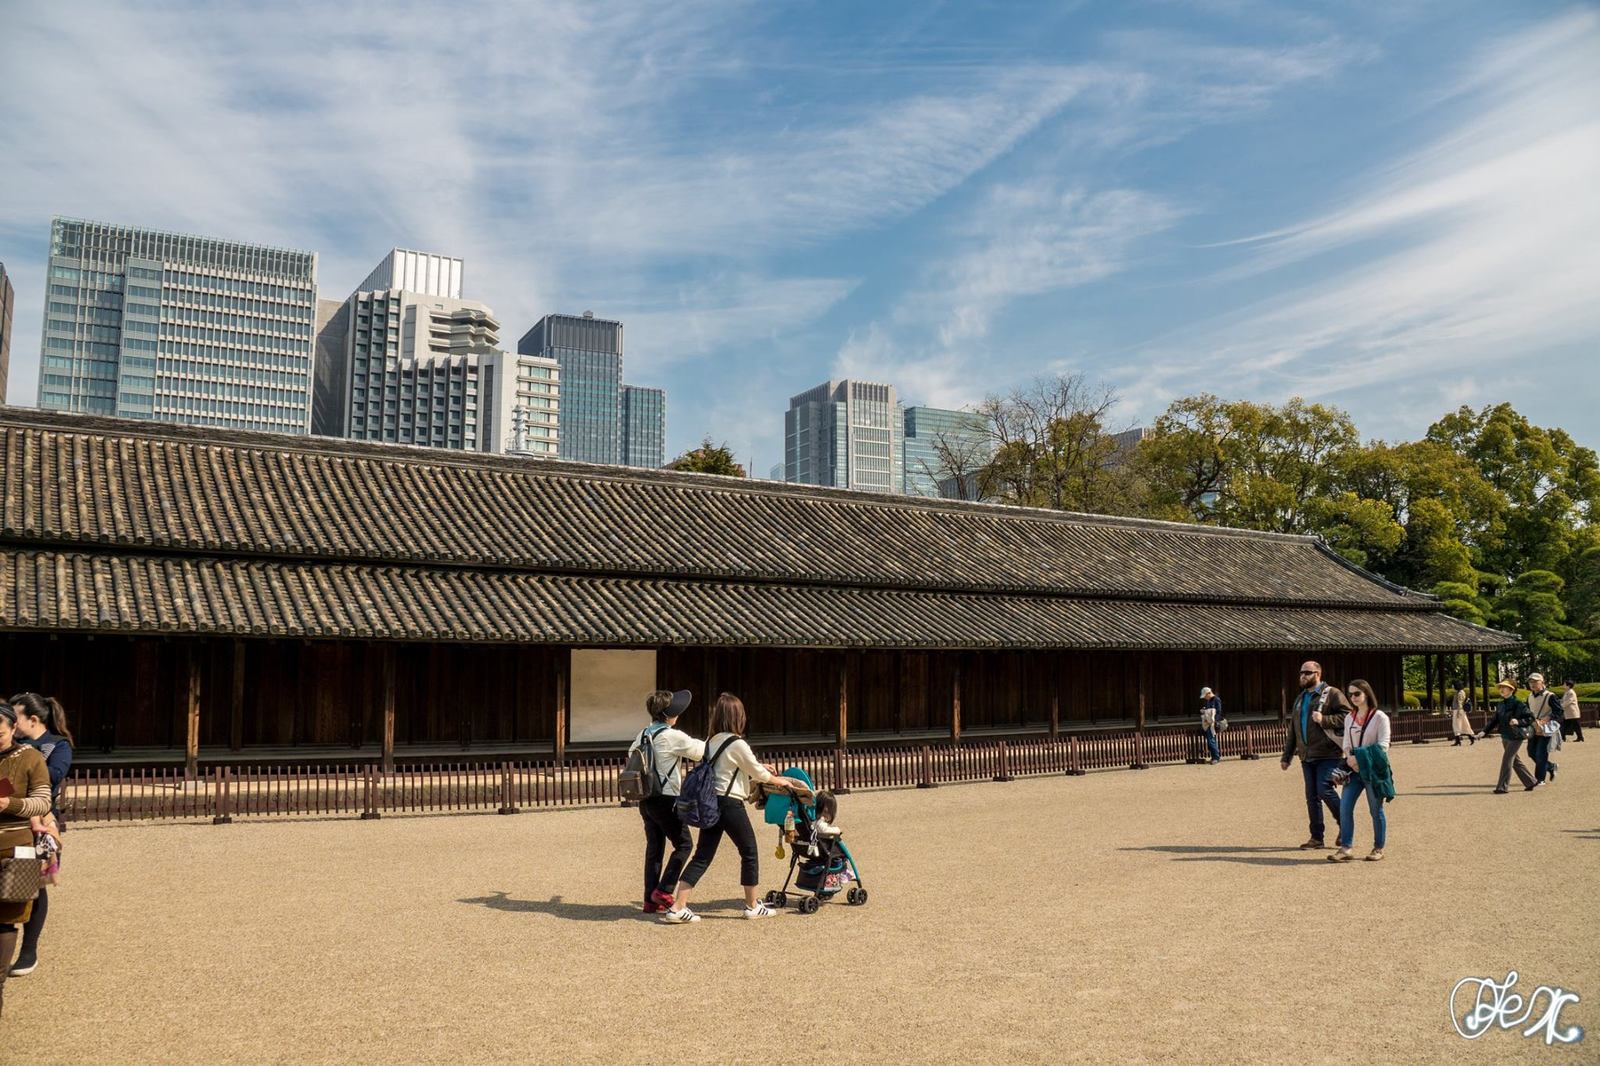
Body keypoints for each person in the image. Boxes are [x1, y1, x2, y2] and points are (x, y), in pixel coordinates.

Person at [660, 693, 804, 924]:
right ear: (738, 717)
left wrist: (757, 766)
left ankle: (678, 907)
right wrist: (782, 781)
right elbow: (759, 774)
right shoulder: (737, 743)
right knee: (749, 851)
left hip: (711, 802)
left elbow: (733, 766)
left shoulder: (711, 741)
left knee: (702, 855)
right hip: (729, 804)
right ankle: (752, 906)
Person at [8, 693, 73, 978]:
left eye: (14, 717)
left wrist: (23, 769)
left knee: (29, 886)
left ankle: (28, 950)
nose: (8, 722)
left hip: (36, 822)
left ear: (32, 720)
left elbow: (53, 776)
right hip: (4, 819)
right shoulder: (9, 746)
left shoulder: (57, 746)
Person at [627, 689, 704, 915]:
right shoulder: (672, 736)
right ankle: (663, 890)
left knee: (655, 847)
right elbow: (701, 751)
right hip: (667, 798)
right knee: (684, 845)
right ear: (670, 714)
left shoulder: (642, 734)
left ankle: (649, 899)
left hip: (646, 798)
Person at [0, 703, 52, 1018]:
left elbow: (43, 801)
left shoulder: (31, 758)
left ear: (12, 728)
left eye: (0, 732)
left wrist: (10, 803)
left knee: (10, 914)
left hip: (20, 849)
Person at [1280, 661, 1351, 850]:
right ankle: (1316, 837)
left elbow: (1349, 717)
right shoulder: (1300, 698)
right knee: (1311, 797)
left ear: (1317, 673)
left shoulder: (1332, 694)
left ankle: (1346, 826)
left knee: (1324, 789)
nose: (1302, 676)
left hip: (1328, 753)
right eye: (1301, 672)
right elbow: (1293, 730)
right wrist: (1287, 756)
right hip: (1306, 755)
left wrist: (1325, 720)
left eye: (1307, 673)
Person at [1328, 679, 1391, 863]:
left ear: (1366, 694)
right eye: (1350, 694)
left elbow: (1383, 746)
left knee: (1375, 809)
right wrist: (1350, 758)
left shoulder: (1380, 717)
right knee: (1345, 807)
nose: (1353, 697)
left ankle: (1378, 847)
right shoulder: (1349, 717)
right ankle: (1346, 848)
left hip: (1372, 770)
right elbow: (1347, 743)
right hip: (1353, 770)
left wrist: (1360, 758)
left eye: (1357, 694)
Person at [1481, 678, 1536, 793]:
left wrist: (1518, 721)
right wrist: (1484, 731)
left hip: (1516, 736)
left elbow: (1530, 717)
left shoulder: (1518, 704)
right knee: (1515, 761)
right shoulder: (1500, 704)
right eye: (1500, 687)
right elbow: (1494, 720)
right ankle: (1530, 781)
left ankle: (1502, 787)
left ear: (1512, 689)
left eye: (1504, 687)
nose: (1501, 689)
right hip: (1505, 735)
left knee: (1507, 759)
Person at [1525, 674, 1561, 784]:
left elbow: (1559, 711)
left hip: (1546, 729)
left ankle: (1539, 779)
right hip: (1534, 727)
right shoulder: (1529, 697)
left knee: (1541, 753)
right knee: (1531, 752)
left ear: (1542, 682)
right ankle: (1550, 766)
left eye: (1535, 681)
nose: (1532, 684)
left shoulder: (1550, 696)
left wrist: (1546, 719)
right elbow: (1527, 712)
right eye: (1531, 682)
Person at [1199, 687, 1222, 764]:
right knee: (1211, 741)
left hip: (1213, 723)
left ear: (1209, 693)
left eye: (1205, 696)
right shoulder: (1209, 701)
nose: (1205, 698)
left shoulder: (1216, 699)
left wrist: (1215, 721)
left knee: (1211, 741)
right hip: (1208, 723)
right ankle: (1214, 757)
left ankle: (1216, 757)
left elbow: (1218, 711)